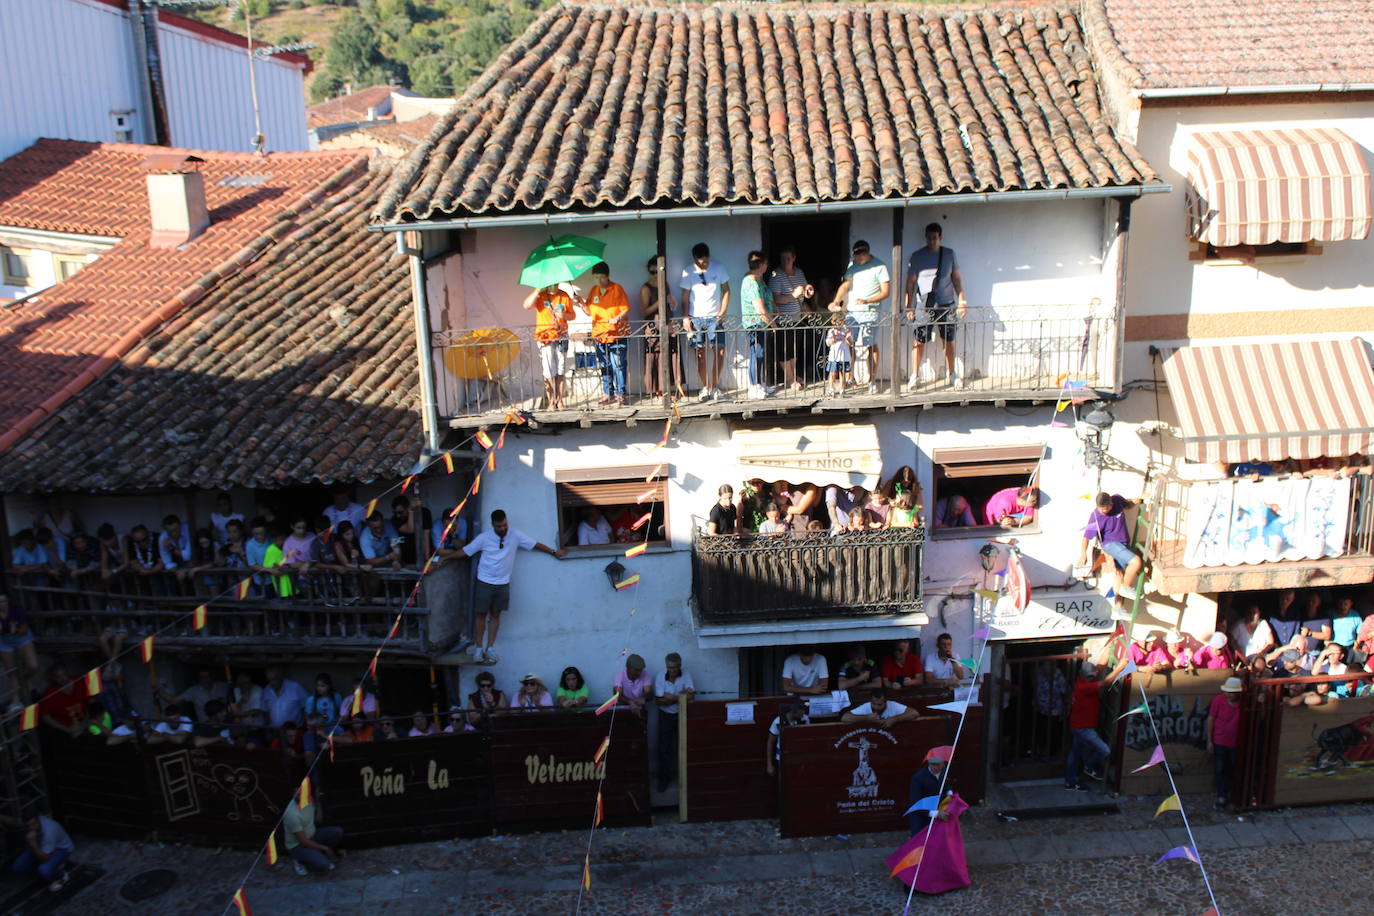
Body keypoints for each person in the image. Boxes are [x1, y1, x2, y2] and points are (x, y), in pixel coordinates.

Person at [459, 509, 565, 665]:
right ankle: (479, 649)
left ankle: (490, 648)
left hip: (503, 583)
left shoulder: (515, 535)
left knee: (496, 615)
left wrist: (553, 551)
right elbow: (466, 551)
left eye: (504, 525)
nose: (503, 528)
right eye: (499, 526)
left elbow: (534, 544)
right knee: (480, 615)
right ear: (493, 524)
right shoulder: (484, 538)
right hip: (484, 581)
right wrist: (444, 558)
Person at [890, 745, 969, 894]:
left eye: (937, 764)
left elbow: (946, 787)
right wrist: (936, 814)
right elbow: (915, 804)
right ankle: (910, 883)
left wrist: (949, 795)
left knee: (938, 850)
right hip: (921, 817)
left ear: (943, 764)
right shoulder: (918, 778)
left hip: (938, 815)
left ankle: (937, 878)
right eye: (931, 764)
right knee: (918, 850)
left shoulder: (944, 772)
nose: (934, 767)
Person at [905, 222, 968, 389]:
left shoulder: (949, 254)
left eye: (935, 238)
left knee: (948, 340)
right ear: (925, 238)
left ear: (940, 237)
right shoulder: (917, 256)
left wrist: (962, 301)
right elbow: (910, 283)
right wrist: (909, 306)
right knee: (919, 340)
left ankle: (952, 374)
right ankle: (914, 375)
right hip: (924, 305)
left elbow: (956, 279)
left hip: (946, 304)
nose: (932, 241)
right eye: (929, 238)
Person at [828, 240, 890, 393]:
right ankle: (851, 377)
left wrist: (867, 300)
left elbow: (886, 292)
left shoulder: (880, 266)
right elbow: (845, 285)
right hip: (852, 311)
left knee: (870, 344)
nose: (856, 259)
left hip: (870, 312)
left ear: (866, 253)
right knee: (849, 342)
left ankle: (872, 380)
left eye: (859, 256)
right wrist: (836, 301)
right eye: (854, 256)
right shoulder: (852, 265)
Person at [680, 242, 730, 401]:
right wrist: (685, 317)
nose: (703, 265)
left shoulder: (719, 268)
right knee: (700, 354)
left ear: (709, 257)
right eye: (700, 263)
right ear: (695, 259)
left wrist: (722, 312)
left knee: (720, 351)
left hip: (715, 317)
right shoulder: (688, 271)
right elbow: (685, 297)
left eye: (706, 262)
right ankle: (706, 388)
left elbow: (727, 291)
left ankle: (714, 387)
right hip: (696, 317)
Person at [1078, 492, 1144, 612]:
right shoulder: (1095, 517)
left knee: (1119, 574)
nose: (1103, 511)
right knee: (1136, 562)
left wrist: (1139, 499)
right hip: (1110, 545)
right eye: (1101, 509)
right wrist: (1083, 555)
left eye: (1106, 508)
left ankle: (1118, 610)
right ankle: (1126, 587)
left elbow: (1128, 504)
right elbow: (1086, 538)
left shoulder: (1117, 500)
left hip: (1123, 543)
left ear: (1111, 504)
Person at [582, 261, 631, 405]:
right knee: (605, 365)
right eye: (596, 277)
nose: (599, 280)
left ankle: (621, 394)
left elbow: (626, 308)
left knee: (619, 365)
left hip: (616, 334)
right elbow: (589, 311)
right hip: (599, 334)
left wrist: (617, 318)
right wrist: (581, 303)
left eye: (601, 277)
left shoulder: (617, 289)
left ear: (608, 276)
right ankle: (607, 393)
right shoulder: (594, 290)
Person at [523, 283, 579, 409]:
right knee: (548, 370)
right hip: (545, 337)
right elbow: (526, 305)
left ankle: (560, 401)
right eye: (551, 285)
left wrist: (564, 315)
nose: (554, 287)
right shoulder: (540, 295)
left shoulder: (564, 296)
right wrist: (537, 290)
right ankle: (550, 402)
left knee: (560, 369)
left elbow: (573, 315)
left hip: (561, 336)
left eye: (556, 285)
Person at [765, 245, 813, 392]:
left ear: (794, 258)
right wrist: (793, 295)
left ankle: (792, 376)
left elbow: (804, 293)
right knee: (783, 350)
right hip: (782, 320)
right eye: (783, 258)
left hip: (797, 318)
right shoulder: (776, 275)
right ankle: (789, 379)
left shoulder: (799, 273)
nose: (785, 261)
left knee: (793, 350)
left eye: (788, 258)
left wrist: (808, 292)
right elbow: (775, 299)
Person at [639, 257, 680, 397]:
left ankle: (670, 387)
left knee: (670, 355)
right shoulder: (645, 288)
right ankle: (659, 390)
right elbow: (645, 311)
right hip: (653, 326)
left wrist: (672, 302)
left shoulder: (665, 284)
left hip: (667, 323)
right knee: (656, 357)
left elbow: (670, 303)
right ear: (648, 272)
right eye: (653, 272)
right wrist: (661, 300)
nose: (656, 275)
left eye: (658, 272)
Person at [1065, 661, 1109, 790]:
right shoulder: (1084, 687)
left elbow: (1099, 670)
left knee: (1074, 754)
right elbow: (1105, 683)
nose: (1091, 678)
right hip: (1084, 728)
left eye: (1092, 676)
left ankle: (1070, 782)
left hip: (1078, 725)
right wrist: (1121, 668)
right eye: (1089, 676)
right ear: (1083, 675)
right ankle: (1089, 766)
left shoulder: (1081, 680)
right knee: (1105, 750)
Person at [654, 652, 695, 791]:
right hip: (665, 716)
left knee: (684, 747)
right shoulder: (660, 675)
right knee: (664, 748)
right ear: (666, 666)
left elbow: (691, 696)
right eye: (670, 667)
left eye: (675, 667)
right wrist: (681, 697)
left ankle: (685, 779)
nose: (672, 670)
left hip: (682, 714)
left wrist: (671, 698)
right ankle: (664, 780)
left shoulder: (686, 674)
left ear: (680, 666)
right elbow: (659, 701)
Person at [740, 250, 776, 400]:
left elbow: (768, 301)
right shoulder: (751, 282)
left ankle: (759, 383)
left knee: (760, 354)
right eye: (765, 263)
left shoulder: (759, 280)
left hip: (762, 324)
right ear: (761, 265)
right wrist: (773, 324)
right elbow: (760, 309)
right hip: (755, 324)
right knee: (756, 354)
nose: (767, 266)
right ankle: (754, 386)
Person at [283, 791, 344, 876]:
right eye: (296, 791)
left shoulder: (309, 800)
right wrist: (325, 848)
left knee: (337, 832)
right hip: (298, 846)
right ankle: (299, 860)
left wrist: (318, 803)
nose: (299, 793)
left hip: (313, 835)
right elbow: (303, 842)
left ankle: (316, 854)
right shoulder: (292, 814)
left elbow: (318, 819)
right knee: (323, 865)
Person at [10, 812, 74, 891]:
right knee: (18, 867)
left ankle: (61, 875)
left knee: (44, 869)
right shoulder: (28, 822)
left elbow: (45, 858)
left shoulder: (49, 831)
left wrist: (33, 843)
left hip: (61, 849)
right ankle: (51, 867)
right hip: (41, 847)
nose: (31, 828)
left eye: (33, 824)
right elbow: (14, 822)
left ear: (38, 820)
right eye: (28, 826)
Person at [1207, 676, 1243, 809]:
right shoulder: (1218, 700)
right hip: (1220, 740)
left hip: (1236, 742)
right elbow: (1211, 719)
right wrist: (1210, 740)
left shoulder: (1244, 702)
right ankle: (1222, 795)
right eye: (1227, 692)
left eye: (1231, 692)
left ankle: (1233, 795)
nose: (1228, 694)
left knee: (1233, 769)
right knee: (1220, 769)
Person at [0, 594, 37, 706]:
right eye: (0, 602)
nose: (3, 604)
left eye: (4, 601)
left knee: (33, 666)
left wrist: (15, 631)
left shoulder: (16, 609)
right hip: (4, 640)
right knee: (11, 671)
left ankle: (24, 679)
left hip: (21, 637)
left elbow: (24, 630)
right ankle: (15, 699)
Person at [156, 668, 230, 722]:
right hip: (205, 726)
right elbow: (174, 701)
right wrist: (159, 691)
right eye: (202, 677)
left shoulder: (223, 687)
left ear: (212, 677)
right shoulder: (193, 691)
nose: (205, 680)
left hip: (225, 724)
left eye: (207, 677)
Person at [38, 665, 87, 738]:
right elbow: (45, 717)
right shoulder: (50, 694)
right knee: (79, 736)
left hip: (87, 719)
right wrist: (66, 729)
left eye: (64, 674)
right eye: (58, 677)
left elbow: (92, 699)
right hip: (70, 728)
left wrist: (89, 719)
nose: (63, 678)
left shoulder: (79, 681)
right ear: (53, 679)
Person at [764, 702, 809, 778]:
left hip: (799, 757)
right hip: (782, 757)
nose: (803, 713)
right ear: (793, 712)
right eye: (801, 711)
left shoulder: (805, 718)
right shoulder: (778, 721)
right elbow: (770, 742)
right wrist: (769, 764)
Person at [842, 687, 917, 726]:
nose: (876, 707)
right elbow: (845, 718)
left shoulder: (892, 705)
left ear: (886, 702)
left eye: (879, 705)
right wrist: (866, 718)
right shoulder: (866, 706)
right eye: (873, 704)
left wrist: (895, 719)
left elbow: (914, 713)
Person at [824, 313, 853, 397]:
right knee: (832, 373)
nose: (840, 324)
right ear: (833, 322)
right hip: (834, 356)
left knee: (842, 373)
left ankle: (842, 389)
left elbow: (851, 343)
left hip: (844, 356)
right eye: (838, 322)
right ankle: (831, 388)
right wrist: (833, 338)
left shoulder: (846, 331)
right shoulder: (831, 331)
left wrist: (847, 337)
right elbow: (828, 343)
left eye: (841, 322)